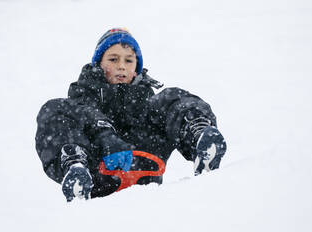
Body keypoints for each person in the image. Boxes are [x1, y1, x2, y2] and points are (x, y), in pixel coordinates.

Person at [35, 28, 227, 202]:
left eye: (129, 60)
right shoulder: (85, 97)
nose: (121, 66)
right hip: (99, 174)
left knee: (172, 97)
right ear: (99, 64)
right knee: (56, 109)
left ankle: (200, 139)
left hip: (143, 165)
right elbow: (85, 112)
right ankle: (75, 166)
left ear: (136, 68)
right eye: (113, 59)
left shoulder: (146, 104)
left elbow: (165, 108)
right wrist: (104, 134)